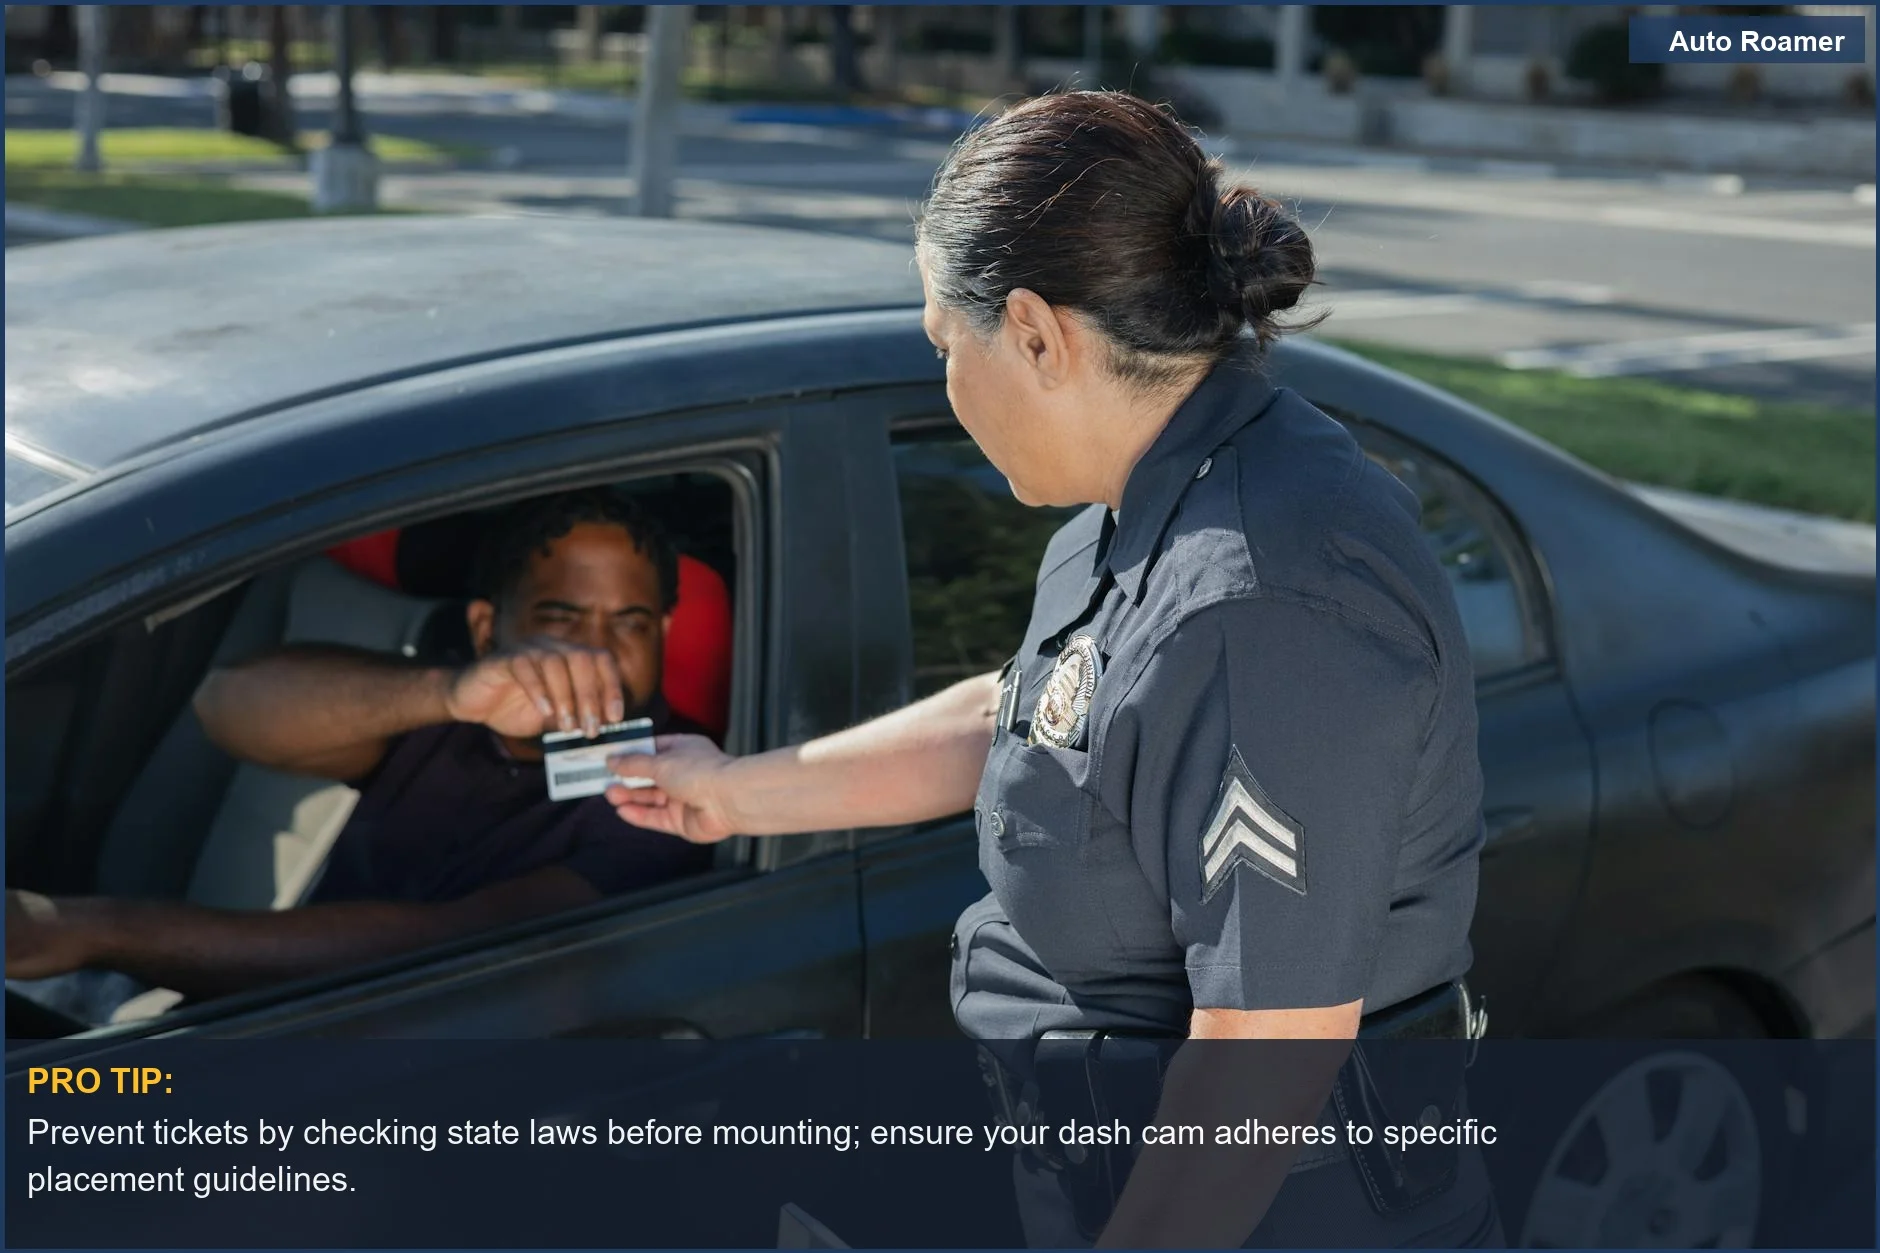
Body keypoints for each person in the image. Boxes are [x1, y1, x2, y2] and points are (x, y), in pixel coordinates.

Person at [604, 93, 1500, 1248]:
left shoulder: (1255, 604)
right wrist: (729, 789)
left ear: (1032, 331)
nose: (943, 383)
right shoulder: (1153, 492)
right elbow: (1038, 714)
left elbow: (1263, 1053)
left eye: (943, 343)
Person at [6, 489, 712, 1004]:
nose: (592, 649)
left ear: (666, 633)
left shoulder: (675, 783)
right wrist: (447, 692)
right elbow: (226, 707)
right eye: (560, 617)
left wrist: (94, 928)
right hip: (247, 1027)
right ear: (485, 627)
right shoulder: (461, 706)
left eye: (630, 623)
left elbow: (437, 947)